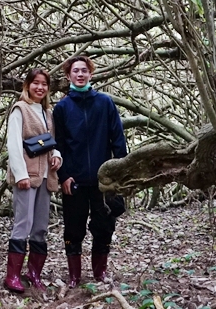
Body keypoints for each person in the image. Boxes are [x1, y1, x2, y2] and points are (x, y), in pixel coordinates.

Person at [53, 54, 127, 286]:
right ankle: (74, 276)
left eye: (84, 70)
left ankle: (99, 273)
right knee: (73, 229)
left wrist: (119, 172)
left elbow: (118, 139)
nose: (80, 74)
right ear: (68, 76)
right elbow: (59, 146)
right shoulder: (62, 108)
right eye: (75, 71)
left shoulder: (105, 103)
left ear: (91, 74)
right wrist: (63, 176)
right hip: (73, 180)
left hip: (103, 179)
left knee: (103, 226)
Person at [4, 68, 62, 293]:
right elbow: (14, 144)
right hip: (27, 176)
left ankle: (34, 273)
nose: (40, 87)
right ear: (27, 85)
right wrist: (21, 175)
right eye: (35, 83)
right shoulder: (20, 109)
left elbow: (50, 143)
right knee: (23, 224)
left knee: (40, 227)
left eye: (44, 84)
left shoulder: (47, 112)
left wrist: (57, 156)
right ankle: (12, 276)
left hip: (46, 176)